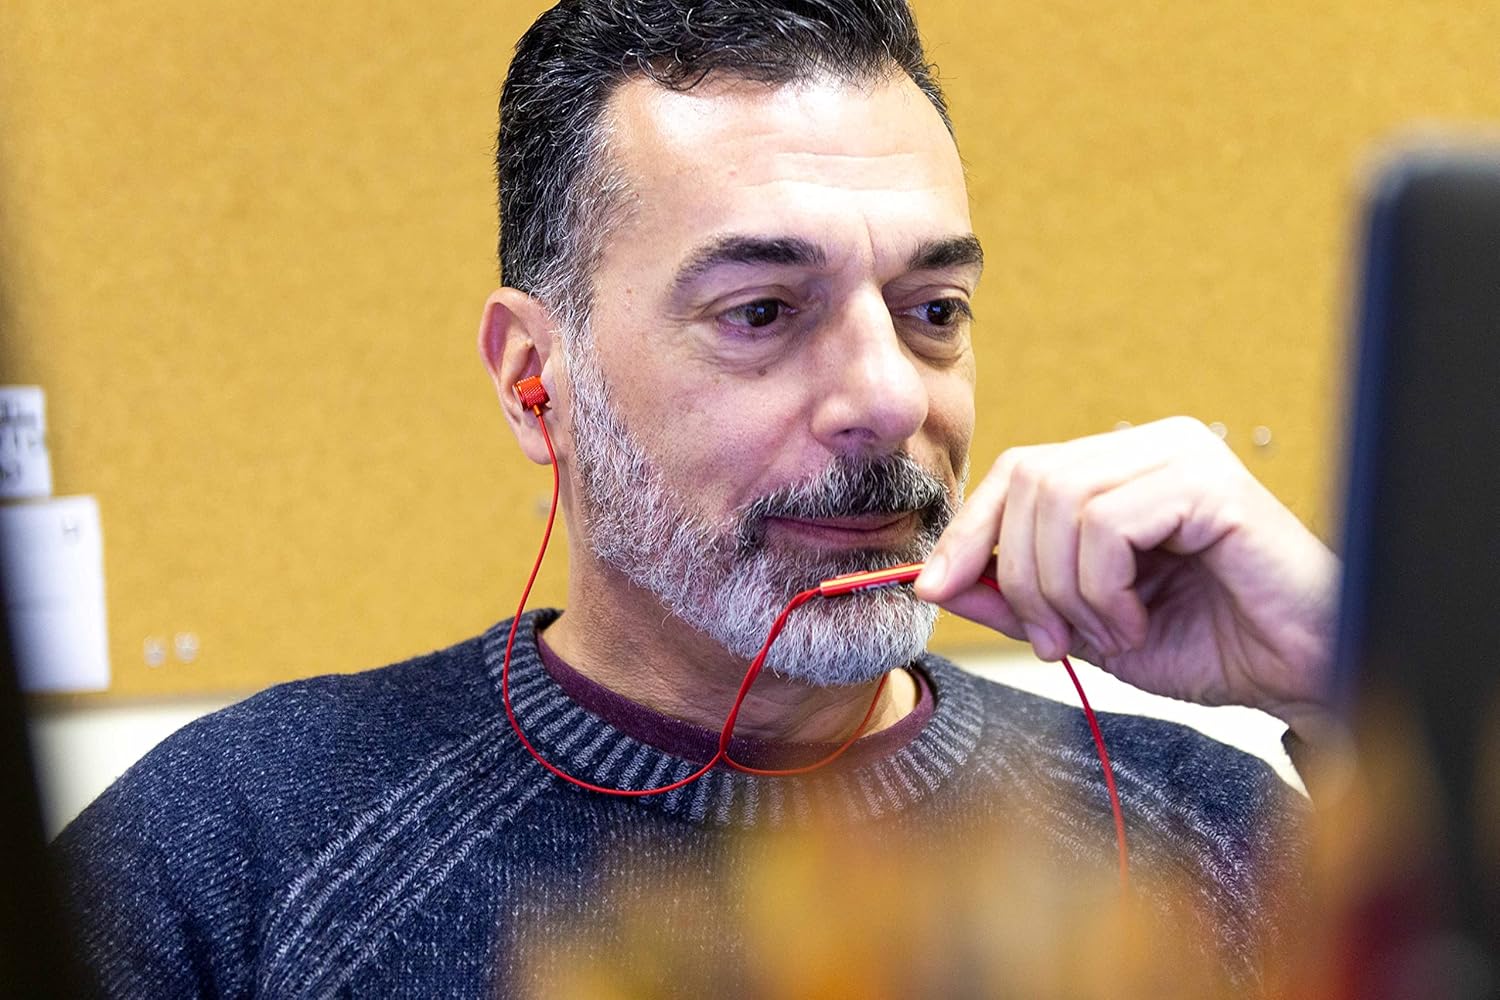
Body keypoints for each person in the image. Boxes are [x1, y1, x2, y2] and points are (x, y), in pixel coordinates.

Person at [55, 0, 1339, 996]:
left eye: (933, 309)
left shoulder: (1216, 845)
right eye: (762, 312)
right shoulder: (227, 855)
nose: (890, 396)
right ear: (533, 382)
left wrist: (1347, 682)